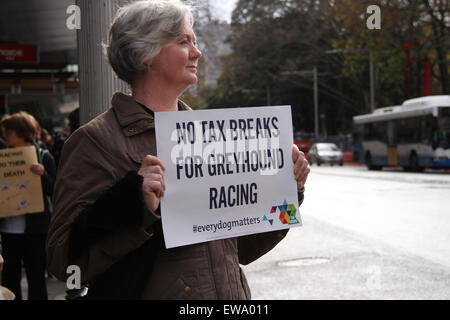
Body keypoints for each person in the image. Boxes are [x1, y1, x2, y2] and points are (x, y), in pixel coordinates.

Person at [46, 0, 310, 300]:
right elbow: (61, 261)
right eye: (184, 41)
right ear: (144, 53)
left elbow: (243, 249)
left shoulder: (211, 137)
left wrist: (288, 190)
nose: (197, 52)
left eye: (195, 41)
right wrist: (132, 201)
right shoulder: (95, 141)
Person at [0, 111, 56, 300]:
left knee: (36, 279)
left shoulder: (43, 156)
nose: (5, 136)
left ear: (20, 132)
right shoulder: (3, 159)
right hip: (8, 231)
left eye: (8, 132)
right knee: (9, 279)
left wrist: (42, 176)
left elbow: (55, 190)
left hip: (35, 231)